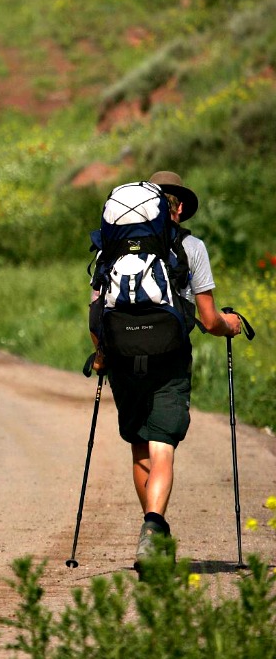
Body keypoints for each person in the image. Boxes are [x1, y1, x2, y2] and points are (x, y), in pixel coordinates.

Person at [90, 171, 242, 571]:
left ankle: (153, 534)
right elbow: (209, 321)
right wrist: (233, 323)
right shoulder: (190, 247)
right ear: (175, 207)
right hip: (169, 358)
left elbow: (98, 311)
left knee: (141, 444)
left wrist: (103, 355)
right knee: (163, 447)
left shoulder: (111, 248)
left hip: (123, 357)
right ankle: (154, 528)